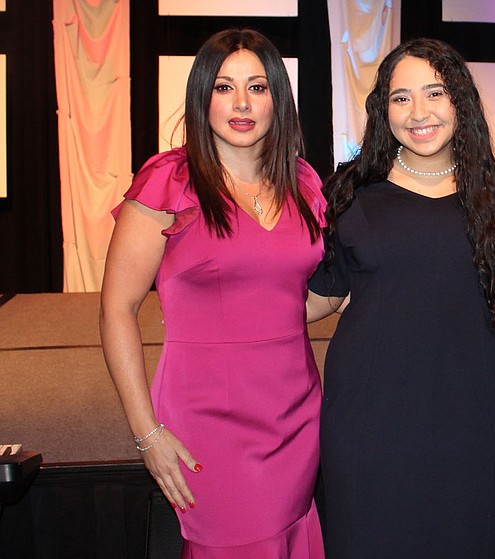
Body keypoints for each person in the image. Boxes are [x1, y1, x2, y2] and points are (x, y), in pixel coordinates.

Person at [100, 28, 326, 558]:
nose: (242, 103)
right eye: (224, 87)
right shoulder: (169, 181)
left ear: (279, 98)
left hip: (296, 414)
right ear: (202, 96)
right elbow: (117, 308)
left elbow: (293, 303)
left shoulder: (304, 184)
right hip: (207, 419)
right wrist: (146, 432)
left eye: (258, 86)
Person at [306, 38, 495, 559]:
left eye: (435, 93)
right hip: (369, 415)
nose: (419, 112)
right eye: (401, 98)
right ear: (383, 108)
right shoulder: (351, 193)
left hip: (467, 417)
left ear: (460, 103)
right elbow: (320, 298)